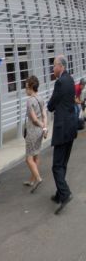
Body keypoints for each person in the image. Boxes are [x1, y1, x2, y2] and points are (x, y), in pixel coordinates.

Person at [47, 55, 78, 214]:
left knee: (56, 166)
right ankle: (60, 194)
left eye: (54, 66)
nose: (53, 69)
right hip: (71, 127)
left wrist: (50, 104)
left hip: (62, 128)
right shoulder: (71, 80)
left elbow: (51, 105)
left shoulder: (59, 82)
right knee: (63, 163)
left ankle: (65, 194)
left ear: (61, 66)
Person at [22, 75, 47, 192]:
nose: (25, 89)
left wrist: (41, 125)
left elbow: (34, 119)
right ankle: (32, 179)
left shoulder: (29, 101)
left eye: (26, 87)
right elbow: (44, 114)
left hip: (32, 131)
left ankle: (38, 178)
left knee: (28, 158)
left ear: (31, 87)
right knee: (36, 155)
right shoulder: (40, 98)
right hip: (40, 132)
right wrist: (45, 127)